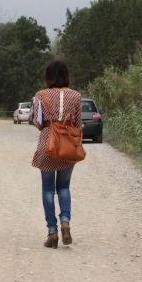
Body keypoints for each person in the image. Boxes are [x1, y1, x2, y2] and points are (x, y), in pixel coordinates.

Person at [31, 60, 82, 249]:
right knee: (64, 187)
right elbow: (78, 124)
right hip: (67, 146)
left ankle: (52, 232)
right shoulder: (76, 96)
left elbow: (37, 121)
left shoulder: (40, 95)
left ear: (48, 76)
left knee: (47, 190)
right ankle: (65, 221)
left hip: (47, 145)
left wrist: (49, 128)